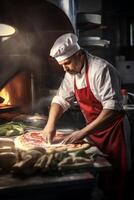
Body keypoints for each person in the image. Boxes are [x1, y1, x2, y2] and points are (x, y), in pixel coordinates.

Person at [43, 33, 131, 199]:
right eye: (62, 65)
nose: (65, 69)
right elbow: (61, 99)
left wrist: (82, 133)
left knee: (118, 175)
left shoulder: (101, 69)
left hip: (114, 131)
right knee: (99, 174)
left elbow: (112, 109)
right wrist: (50, 124)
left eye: (67, 63)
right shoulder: (71, 73)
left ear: (79, 54)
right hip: (94, 131)